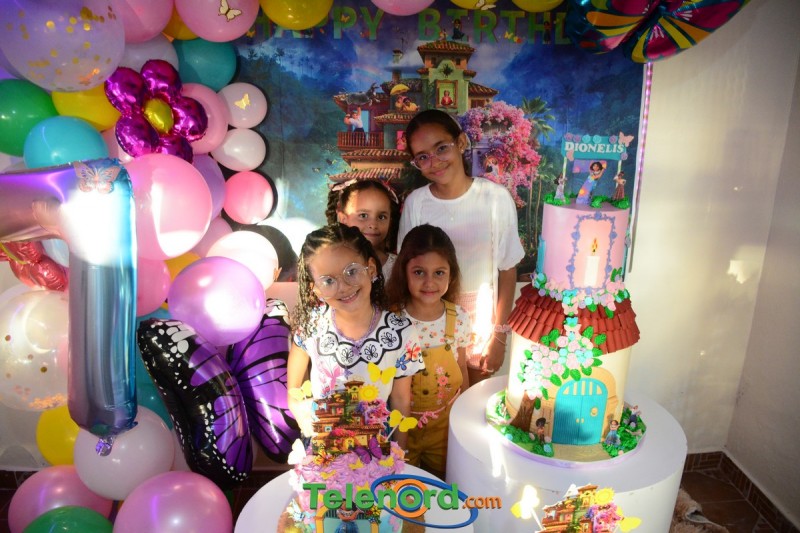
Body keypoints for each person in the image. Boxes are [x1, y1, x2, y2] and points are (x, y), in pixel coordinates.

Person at [399, 109, 525, 386]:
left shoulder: (495, 198)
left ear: (461, 142)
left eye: (441, 148)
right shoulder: (416, 203)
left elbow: (507, 270)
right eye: (423, 157)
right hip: (429, 320)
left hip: (481, 318)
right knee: (432, 400)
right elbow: (407, 270)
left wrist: (499, 336)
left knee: (472, 401)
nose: (434, 162)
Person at [287, 224, 423, 450]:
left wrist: (400, 452)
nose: (343, 287)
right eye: (328, 281)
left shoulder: (401, 332)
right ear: (316, 290)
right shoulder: (312, 324)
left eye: (351, 271)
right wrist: (294, 403)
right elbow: (299, 352)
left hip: (375, 448)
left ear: (371, 269)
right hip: (322, 444)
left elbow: (400, 399)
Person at [386, 224, 471, 479]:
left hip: (444, 429)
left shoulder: (459, 318)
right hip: (402, 427)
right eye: (419, 272)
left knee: (443, 485)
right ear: (404, 272)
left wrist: (464, 419)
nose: (429, 282)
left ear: (451, 275)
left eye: (439, 273)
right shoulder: (392, 320)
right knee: (404, 486)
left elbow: (462, 368)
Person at [327, 178, 400, 281]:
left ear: (390, 221)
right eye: (363, 215)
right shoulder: (329, 264)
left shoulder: (398, 267)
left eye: (381, 217)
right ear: (343, 219)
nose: (373, 225)